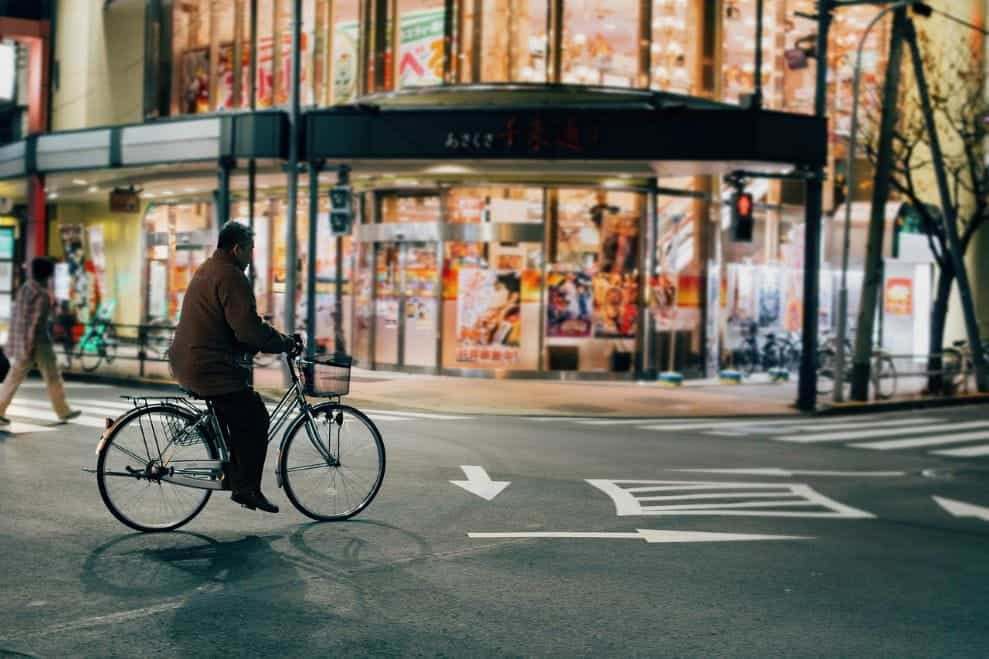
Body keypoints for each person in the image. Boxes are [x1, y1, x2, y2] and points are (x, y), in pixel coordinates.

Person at [169, 221, 295, 514]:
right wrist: (283, 343)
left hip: (189, 359)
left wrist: (256, 339)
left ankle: (235, 471)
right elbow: (249, 330)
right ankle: (246, 488)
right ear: (237, 248)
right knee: (254, 415)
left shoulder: (209, 268)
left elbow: (233, 325)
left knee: (238, 413)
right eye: (250, 250)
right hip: (207, 366)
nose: (252, 257)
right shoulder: (231, 276)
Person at [0, 257, 81, 428]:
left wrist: (20, 344)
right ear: (48, 274)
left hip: (23, 340)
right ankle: (62, 410)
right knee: (52, 375)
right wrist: (29, 346)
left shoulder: (25, 287)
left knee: (13, 377)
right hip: (38, 341)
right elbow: (35, 323)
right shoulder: (42, 295)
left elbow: (18, 316)